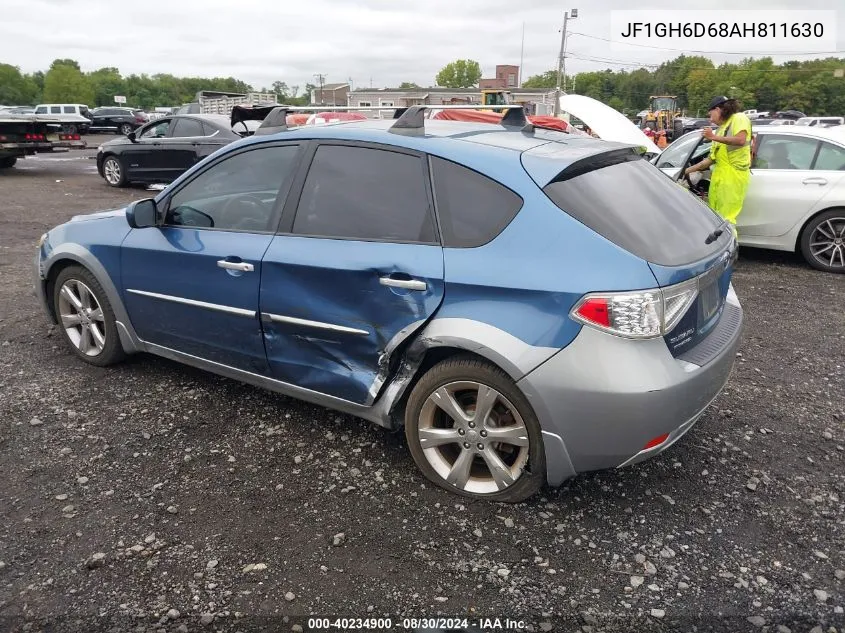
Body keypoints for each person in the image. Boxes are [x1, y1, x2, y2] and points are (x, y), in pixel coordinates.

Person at [684, 96, 753, 227]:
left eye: (711, 115)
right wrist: (685, 171)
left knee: (727, 221)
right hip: (720, 179)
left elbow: (740, 140)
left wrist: (713, 137)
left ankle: (730, 247)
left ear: (717, 109)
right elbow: (710, 160)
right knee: (716, 219)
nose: (711, 120)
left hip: (733, 178)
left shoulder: (738, 118)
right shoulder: (721, 129)